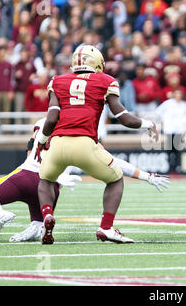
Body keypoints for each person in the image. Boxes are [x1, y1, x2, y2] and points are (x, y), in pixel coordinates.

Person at [35, 45, 159, 245]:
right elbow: (123, 118)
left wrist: (40, 142)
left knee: (46, 179)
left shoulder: (58, 81)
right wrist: (148, 124)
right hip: (85, 144)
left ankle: (47, 216)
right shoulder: (105, 81)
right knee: (116, 179)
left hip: (57, 143)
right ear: (97, 63)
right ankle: (106, 227)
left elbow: (51, 119)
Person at [0, 116, 169, 242]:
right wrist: (146, 176)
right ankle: (37, 227)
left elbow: (33, 144)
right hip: (52, 186)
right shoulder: (82, 126)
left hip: (28, 176)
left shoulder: (44, 121)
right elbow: (113, 161)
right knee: (40, 221)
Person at [156, 87, 186, 173]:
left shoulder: (185, 105)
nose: (178, 96)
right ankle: (170, 167)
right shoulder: (167, 104)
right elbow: (157, 112)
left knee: (178, 149)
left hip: (179, 130)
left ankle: (177, 167)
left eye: (179, 94)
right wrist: (162, 122)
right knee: (169, 149)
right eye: (176, 93)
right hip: (169, 129)